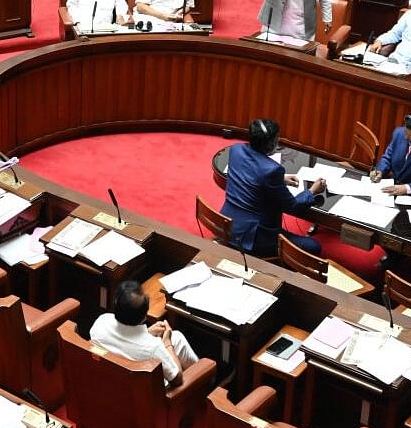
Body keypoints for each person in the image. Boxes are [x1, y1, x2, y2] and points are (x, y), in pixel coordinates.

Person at [220, 119, 327, 257]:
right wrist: (312, 191)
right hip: (251, 237)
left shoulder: (236, 150)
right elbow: (292, 207)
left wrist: (280, 179)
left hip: (226, 224)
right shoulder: (272, 170)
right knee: (313, 246)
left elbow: (248, 170)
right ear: (271, 143)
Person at [89, 281, 200, 387]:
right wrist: (167, 342)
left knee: (176, 338)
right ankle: (201, 377)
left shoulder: (101, 322)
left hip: (112, 379)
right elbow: (177, 379)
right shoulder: (154, 348)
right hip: (143, 391)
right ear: (144, 317)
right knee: (177, 338)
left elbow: (124, 342)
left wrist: (148, 333)